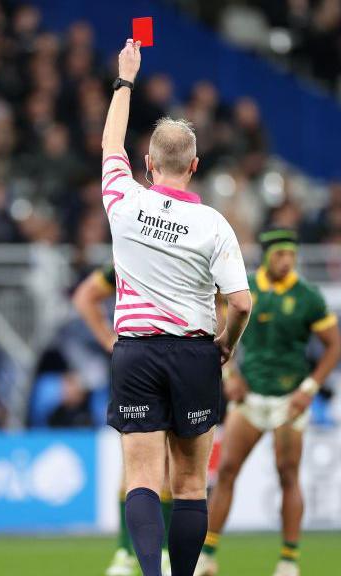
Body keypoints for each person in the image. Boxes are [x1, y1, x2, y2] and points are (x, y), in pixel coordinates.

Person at [101, 40, 252, 576]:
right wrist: (226, 346)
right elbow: (239, 301)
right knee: (190, 483)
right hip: (193, 355)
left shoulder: (123, 198)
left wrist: (125, 81)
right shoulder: (214, 223)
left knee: (142, 478)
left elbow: (109, 145)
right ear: (195, 164)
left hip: (137, 353)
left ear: (147, 163)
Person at [195, 229, 341, 576]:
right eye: (280, 254)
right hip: (250, 398)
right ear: (267, 256)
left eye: (291, 254)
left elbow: (334, 346)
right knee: (227, 471)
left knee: (288, 475)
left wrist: (309, 388)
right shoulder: (244, 289)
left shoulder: (308, 296)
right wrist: (229, 375)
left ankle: (288, 561)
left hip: (289, 400)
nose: (287, 260)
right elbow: (216, 322)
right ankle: (208, 556)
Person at [72, 262, 176, 576]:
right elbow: (85, 297)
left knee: (168, 463)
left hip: (172, 363)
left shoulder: (174, 253)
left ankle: (161, 551)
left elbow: (222, 303)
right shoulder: (128, 259)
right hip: (140, 366)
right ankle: (125, 550)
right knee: (135, 461)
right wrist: (108, 339)